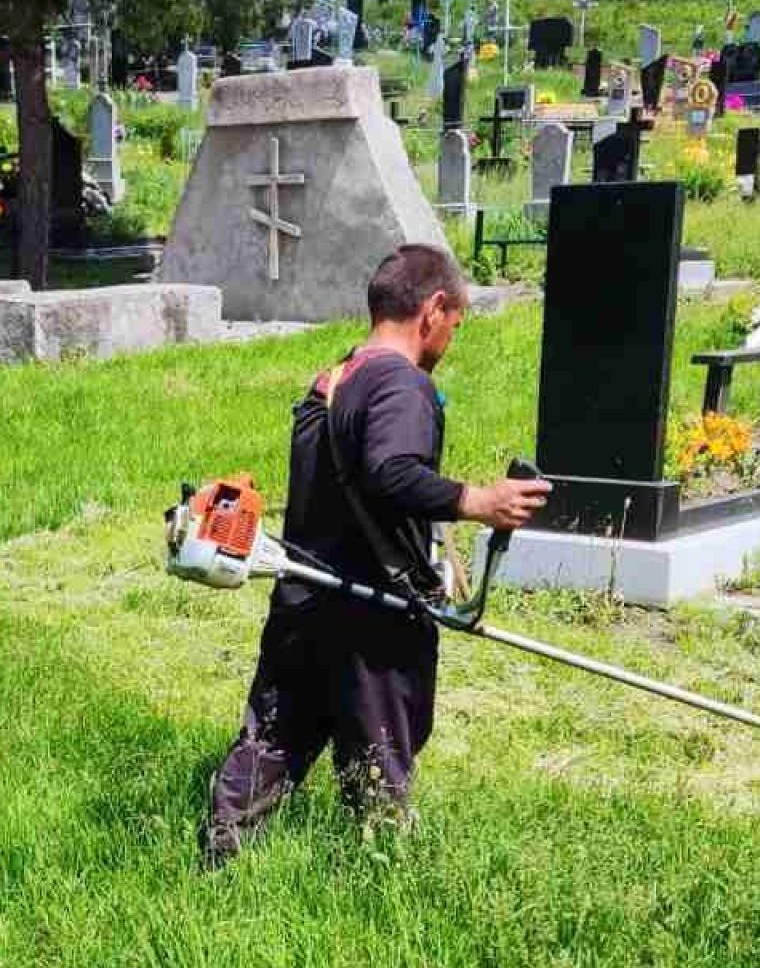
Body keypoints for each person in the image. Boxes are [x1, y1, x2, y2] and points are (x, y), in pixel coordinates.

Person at [200, 243, 550, 866]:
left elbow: (357, 484)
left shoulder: (335, 379)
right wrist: (479, 501)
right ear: (433, 309)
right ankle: (379, 876)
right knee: (379, 765)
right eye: (455, 324)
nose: (450, 340)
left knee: (274, 742)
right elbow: (391, 471)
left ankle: (219, 862)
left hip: (305, 595)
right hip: (370, 616)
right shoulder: (401, 382)